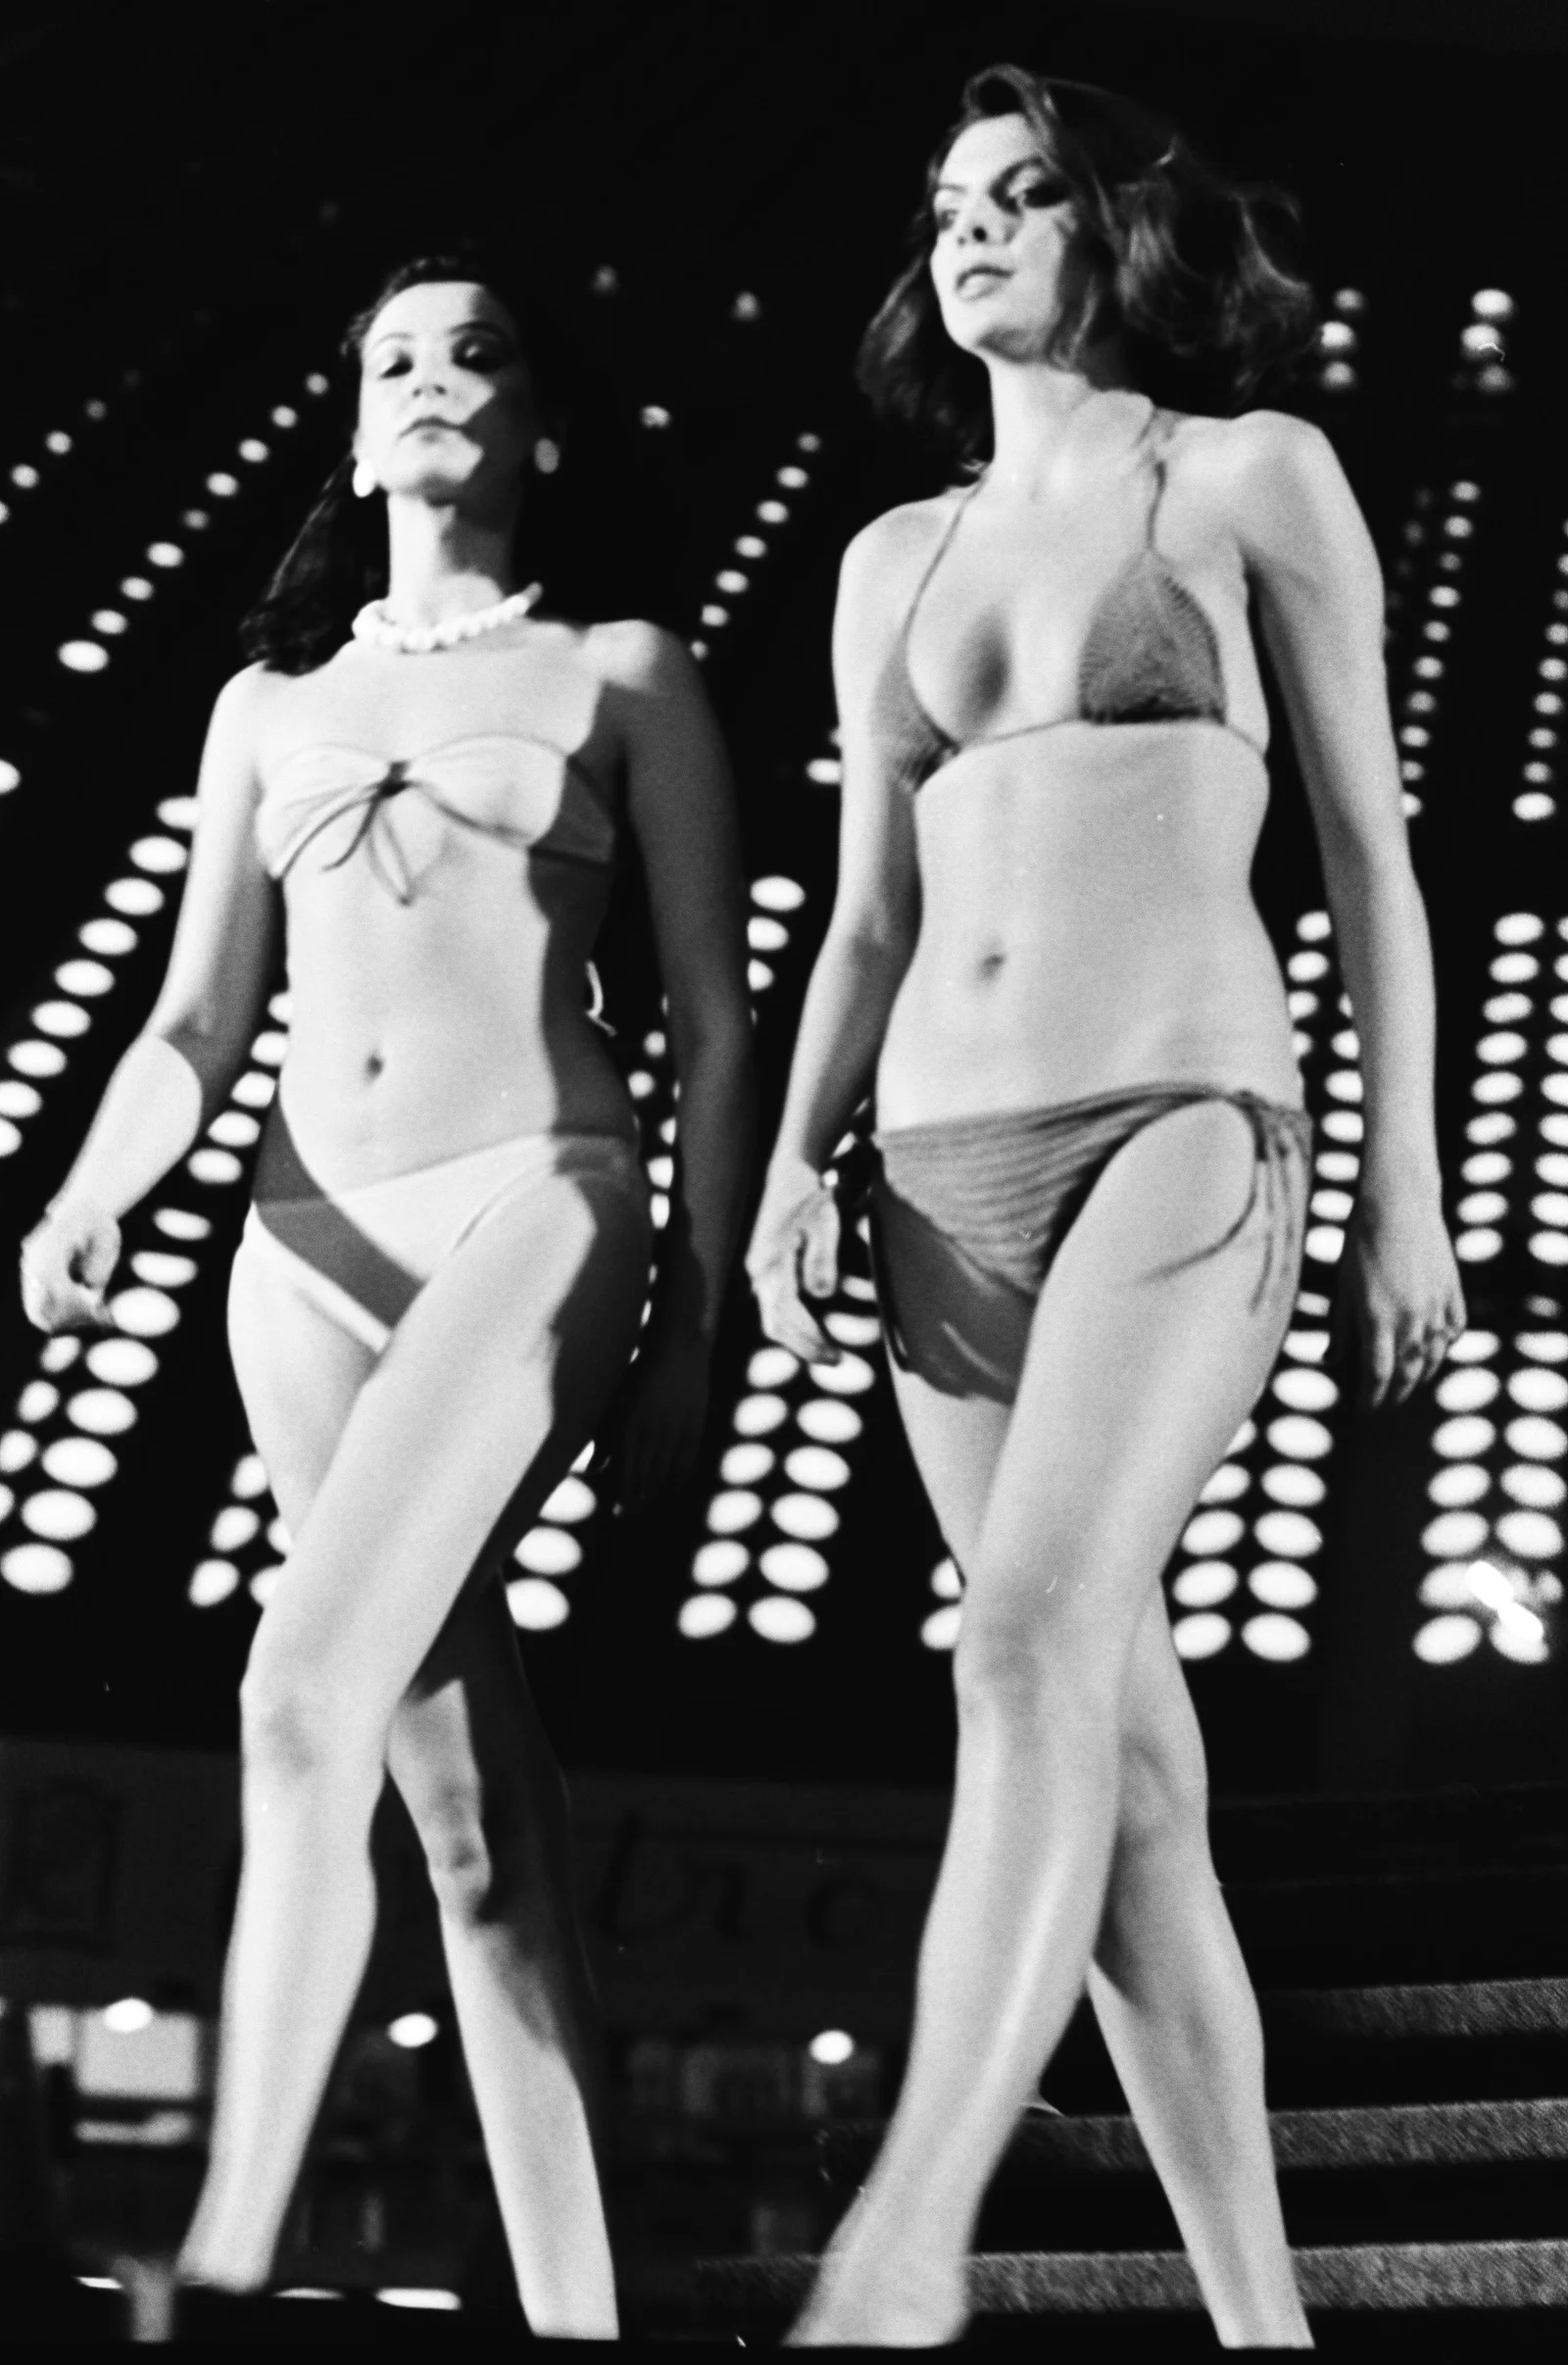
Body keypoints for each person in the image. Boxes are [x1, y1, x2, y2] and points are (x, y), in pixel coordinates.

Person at [748, 67, 1463, 2350]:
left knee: (1015, 1646)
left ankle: (907, 2233)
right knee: (1128, 1776)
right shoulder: (892, 558)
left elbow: (1369, 857)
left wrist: (1402, 1183)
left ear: (1114, 231)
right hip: (933, 1178)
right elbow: (861, 920)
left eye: (1023, 193)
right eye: (944, 201)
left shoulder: (1243, 478)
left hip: (1178, 1119)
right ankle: (1263, 2327)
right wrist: (783, 1167)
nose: (968, 230)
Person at [21, 250, 755, 2339]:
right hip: (300, 1248)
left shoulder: (621, 671)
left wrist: (694, 1327)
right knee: (472, 1827)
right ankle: (581, 2314)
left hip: (536, 1196)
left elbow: (715, 1016)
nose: (432, 382)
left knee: (295, 1694)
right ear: (352, 441)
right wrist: (83, 1195)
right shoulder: (268, 704)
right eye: (395, 362)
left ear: (542, 429)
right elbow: (193, 1021)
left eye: (477, 356)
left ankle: (222, 2271)